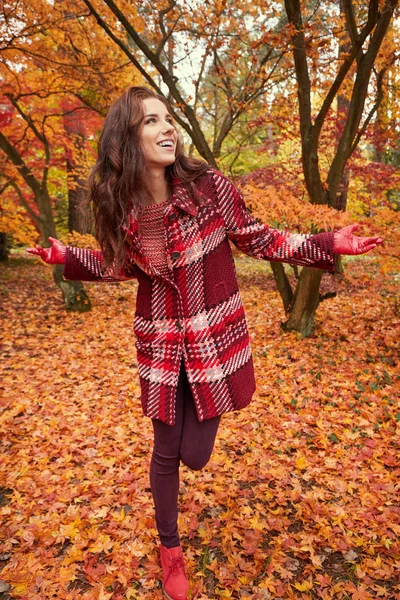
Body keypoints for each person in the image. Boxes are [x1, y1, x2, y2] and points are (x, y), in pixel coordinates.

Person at [28, 86, 383, 600]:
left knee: (196, 454)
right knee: (166, 450)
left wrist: (327, 243)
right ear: (126, 141)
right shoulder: (123, 211)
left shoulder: (208, 188)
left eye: (168, 118)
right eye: (152, 121)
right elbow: (118, 267)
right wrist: (68, 258)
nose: (167, 128)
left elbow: (258, 238)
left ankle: (184, 481)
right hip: (161, 346)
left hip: (213, 342)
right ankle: (169, 549)